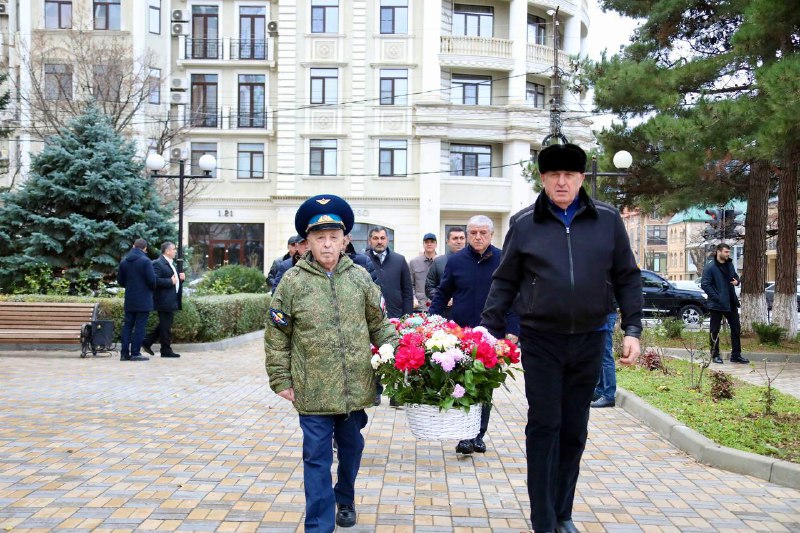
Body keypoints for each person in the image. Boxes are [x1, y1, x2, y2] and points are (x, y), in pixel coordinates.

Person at [481, 143, 643, 533]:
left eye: (569, 174)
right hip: (541, 340)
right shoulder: (524, 223)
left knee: (574, 428)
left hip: (590, 338)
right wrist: (490, 330)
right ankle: (543, 519)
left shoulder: (606, 220)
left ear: (582, 178)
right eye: (554, 175)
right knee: (544, 425)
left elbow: (627, 275)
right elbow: (505, 280)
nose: (561, 182)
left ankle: (563, 511)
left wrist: (633, 329)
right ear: (543, 179)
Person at [264, 194, 398, 533]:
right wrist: (280, 379)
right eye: (319, 238)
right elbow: (277, 333)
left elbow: (379, 324)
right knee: (316, 458)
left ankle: (346, 497)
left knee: (352, 448)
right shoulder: (292, 282)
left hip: (355, 386)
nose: (327, 244)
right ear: (307, 242)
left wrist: (395, 353)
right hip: (312, 389)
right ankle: (318, 525)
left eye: (333, 237)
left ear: (345, 240)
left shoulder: (360, 279)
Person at [429, 216, 518, 455]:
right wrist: (431, 321)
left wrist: (513, 331)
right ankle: (464, 436)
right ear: (468, 236)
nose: (478, 237)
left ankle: (478, 434)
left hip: (492, 334)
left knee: (484, 385)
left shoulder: (503, 259)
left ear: (491, 235)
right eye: (474, 233)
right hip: (461, 333)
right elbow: (442, 293)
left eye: (483, 233)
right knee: (462, 384)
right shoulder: (456, 261)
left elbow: (514, 298)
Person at [701, 243, 748, 365]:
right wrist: (717, 297)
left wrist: (737, 282)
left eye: (729, 252)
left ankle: (736, 355)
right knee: (714, 330)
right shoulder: (710, 267)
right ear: (718, 252)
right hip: (717, 304)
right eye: (726, 252)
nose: (728, 254)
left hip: (731, 302)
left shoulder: (729, 264)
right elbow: (705, 284)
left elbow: (735, 278)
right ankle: (715, 355)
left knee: (736, 328)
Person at [117, 238, 157, 362]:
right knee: (140, 326)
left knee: (127, 325)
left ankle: (124, 353)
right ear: (145, 248)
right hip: (143, 299)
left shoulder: (124, 261)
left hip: (130, 298)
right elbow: (152, 281)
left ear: (133, 246)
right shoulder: (146, 261)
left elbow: (120, 281)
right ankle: (135, 353)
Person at [142, 242, 184, 358]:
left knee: (165, 324)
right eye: (174, 249)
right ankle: (165, 349)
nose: (175, 251)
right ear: (167, 251)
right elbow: (154, 281)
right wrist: (170, 282)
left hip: (171, 299)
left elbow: (174, 280)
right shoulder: (158, 263)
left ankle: (148, 341)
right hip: (163, 299)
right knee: (166, 326)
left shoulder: (170, 263)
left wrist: (181, 280)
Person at [366, 226, 413, 318]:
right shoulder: (364, 260)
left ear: (387, 240)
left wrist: (407, 317)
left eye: (382, 238)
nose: (379, 241)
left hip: (396, 315)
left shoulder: (400, 260)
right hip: (370, 318)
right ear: (369, 240)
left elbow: (407, 292)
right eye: (375, 238)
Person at [425, 227, 467, 318]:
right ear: (447, 241)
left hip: (468, 315)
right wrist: (443, 298)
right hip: (445, 314)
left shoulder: (474, 262)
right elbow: (429, 287)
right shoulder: (438, 262)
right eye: (455, 238)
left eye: (461, 238)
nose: (459, 241)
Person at [590, 311, 618, 408]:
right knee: (600, 354)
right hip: (600, 315)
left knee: (606, 355)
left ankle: (609, 396)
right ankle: (599, 391)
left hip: (606, 314)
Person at [409, 233, 438, 312]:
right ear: (423, 244)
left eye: (432, 242)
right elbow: (410, 284)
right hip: (419, 306)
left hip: (438, 305)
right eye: (426, 242)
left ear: (436, 244)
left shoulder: (442, 262)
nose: (429, 244)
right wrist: (413, 298)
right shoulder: (414, 262)